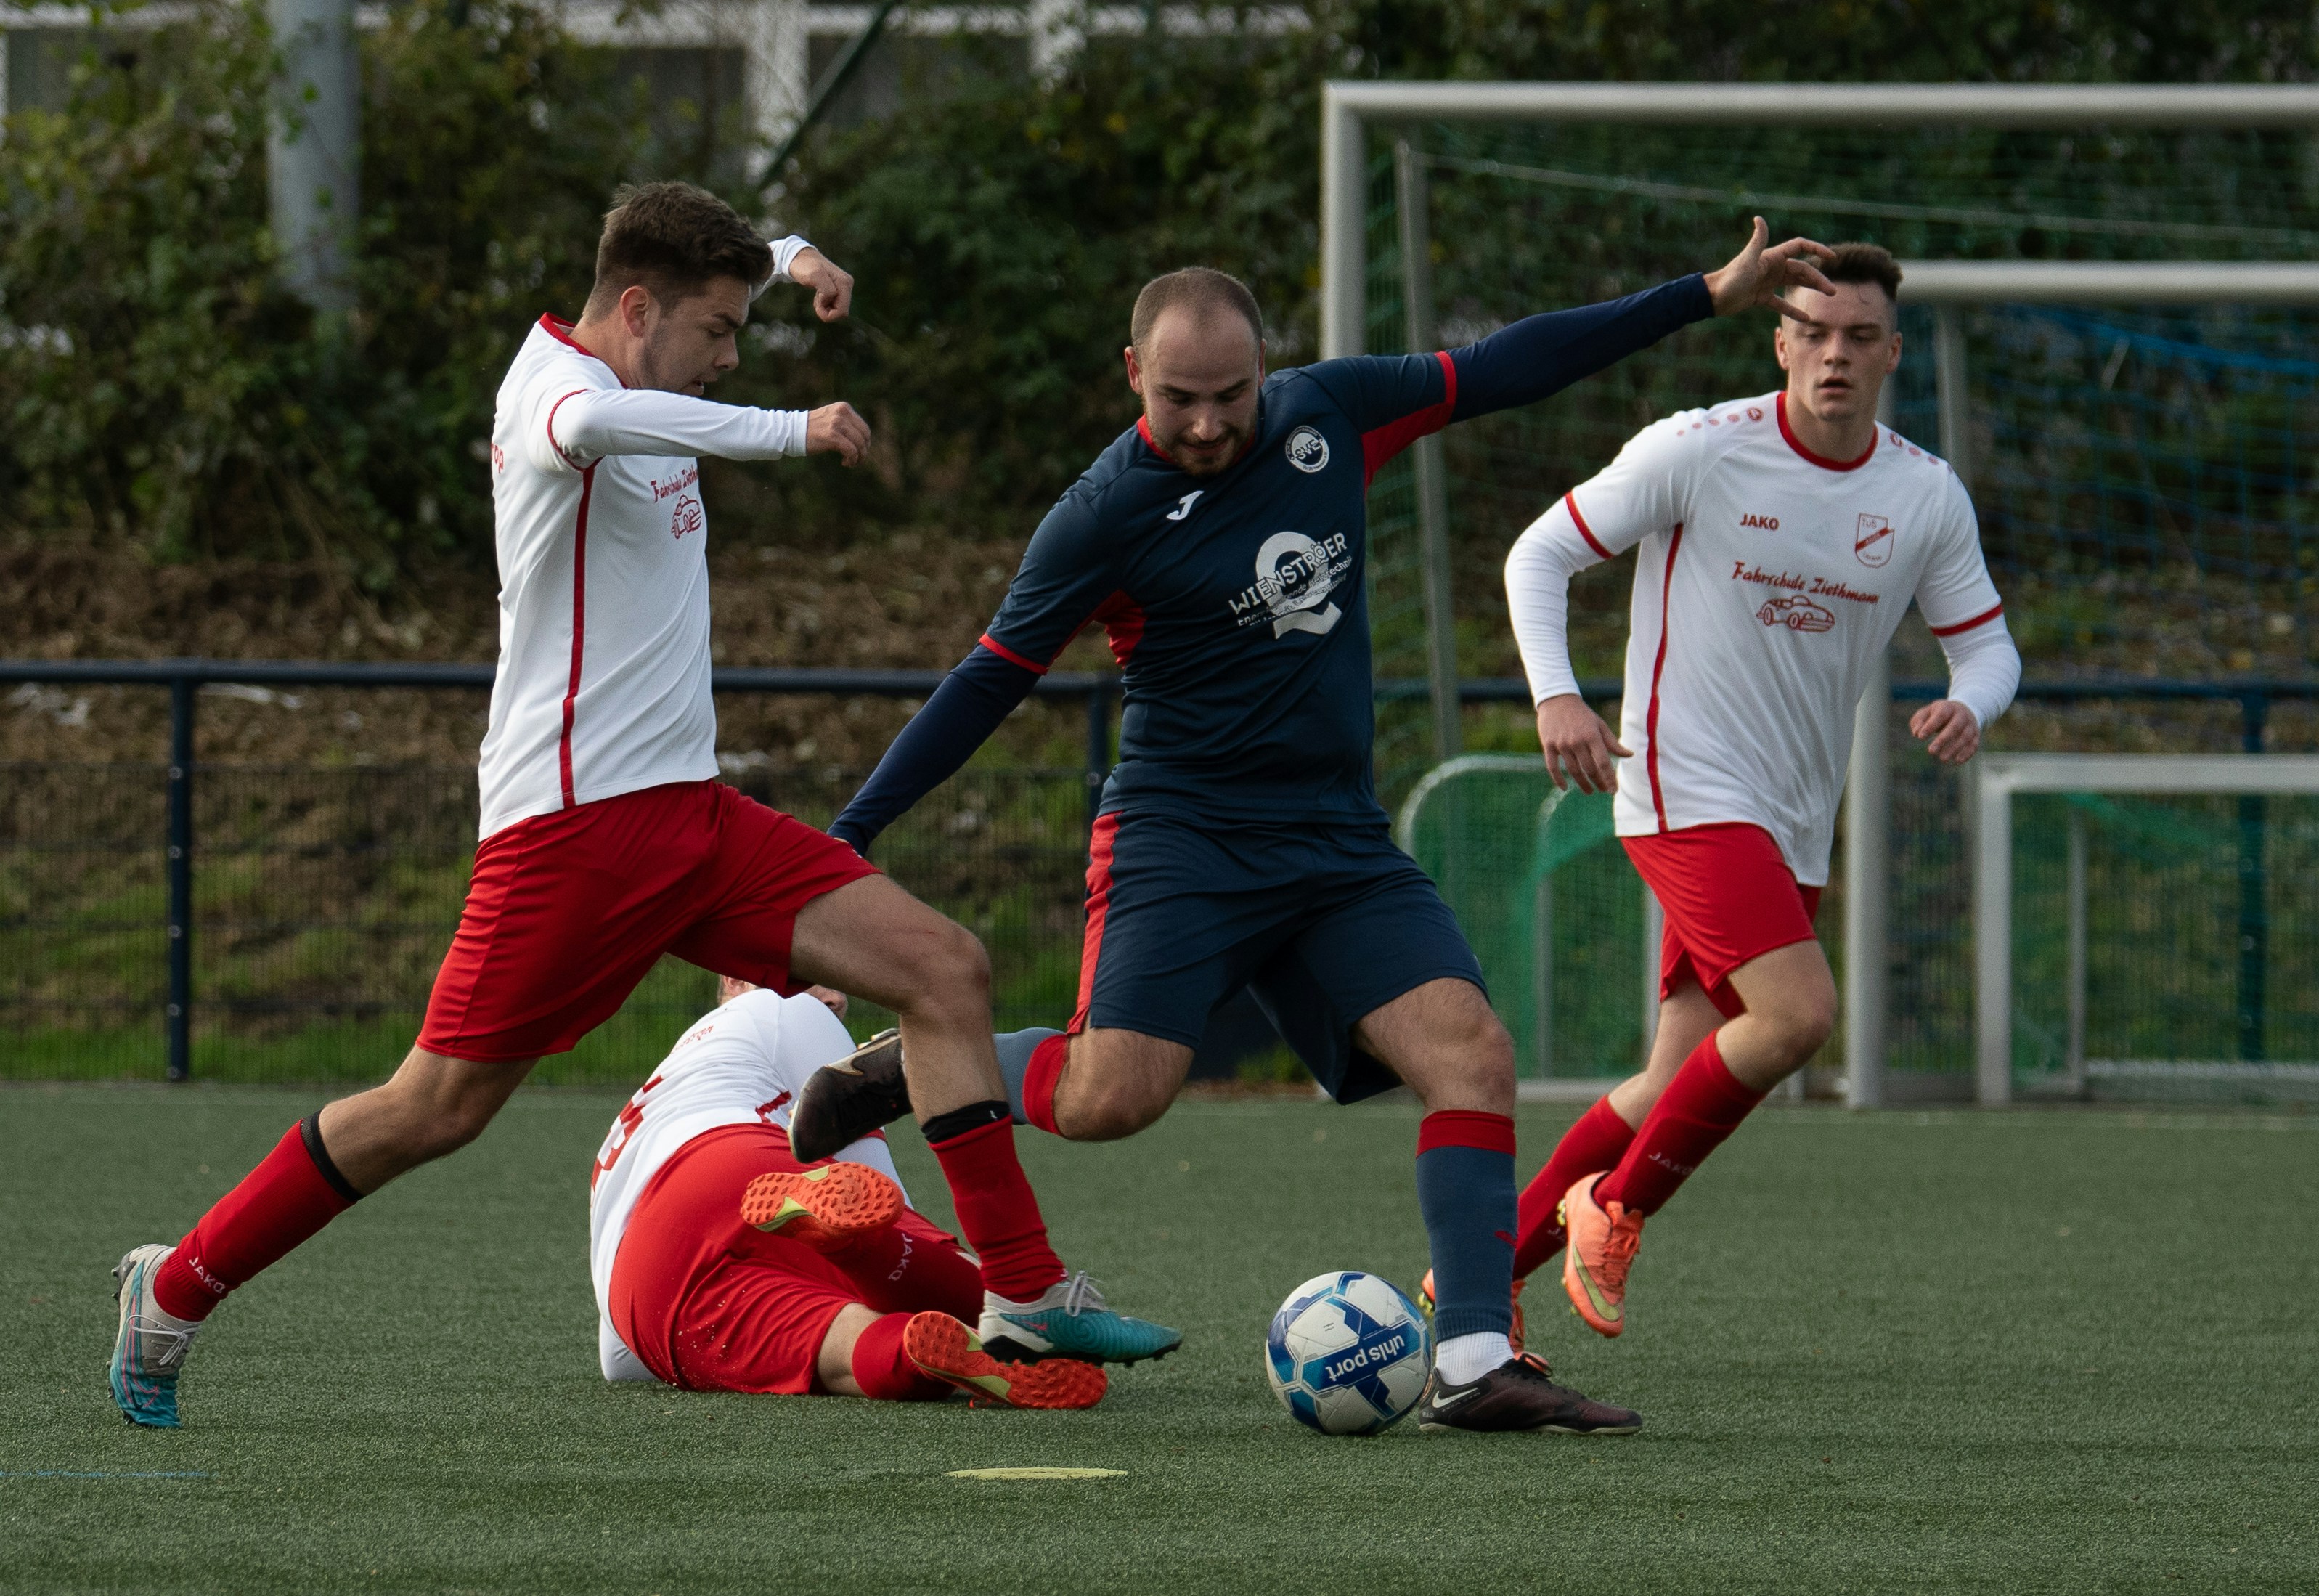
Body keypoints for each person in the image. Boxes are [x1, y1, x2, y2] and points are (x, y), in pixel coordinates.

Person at [109, 182, 1173, 1430]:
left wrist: (790, 260)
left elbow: (721, 272)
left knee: (941, 965)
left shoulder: (647, 323)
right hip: (569, 839)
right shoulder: (555, 399)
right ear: (634, 310)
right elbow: (610, 422)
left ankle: (1027, 1291)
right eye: (716, 332)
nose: (727, 355)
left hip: (691, 815)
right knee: (430, 1108)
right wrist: (792, 424)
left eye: (737, 332)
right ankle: (171, 1289)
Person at [790, 220, 1834, 1434]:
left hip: (1333, 839)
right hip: (1180, 835)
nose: (1204, 422)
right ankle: (905, 1065)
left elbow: (1509, 364)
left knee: (1468, 1052)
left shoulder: (1324, 413)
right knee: (1109, 1098)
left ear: (1261, 368)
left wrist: (1699, 296)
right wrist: (849, 831)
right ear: (1133, 375)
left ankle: (1474, 1358)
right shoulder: (1099, 514)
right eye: (1176, 398)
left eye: (1227, 394)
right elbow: (985, 680)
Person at [1498, 241, 2021, 1340]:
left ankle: (1477, 1276)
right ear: (1779, 341)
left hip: (1790, 819)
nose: (1834, 354)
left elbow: (1986, 645)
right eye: (1813, 333)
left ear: (1889, 353)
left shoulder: (1922, 494)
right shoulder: (1697, 448)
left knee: (1670, 1075)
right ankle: (1618, 1207)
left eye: (1859, 336)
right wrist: (1558, 696)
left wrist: (1972, 701)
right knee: (1799, 1015)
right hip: (1680, 785)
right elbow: (1537, 555)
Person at [592, 977, 1104, 1409]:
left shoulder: (649, 1099)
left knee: (838, 1352)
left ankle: (912, 1353)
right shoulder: (783, 1009)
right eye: (814, 968)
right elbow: (874, 1195)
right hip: (733, 1164)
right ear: (735, 979)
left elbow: (619, 1364)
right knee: (975, 1301)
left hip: (642, 1286)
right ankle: (1018, 1315)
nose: (834, 996)